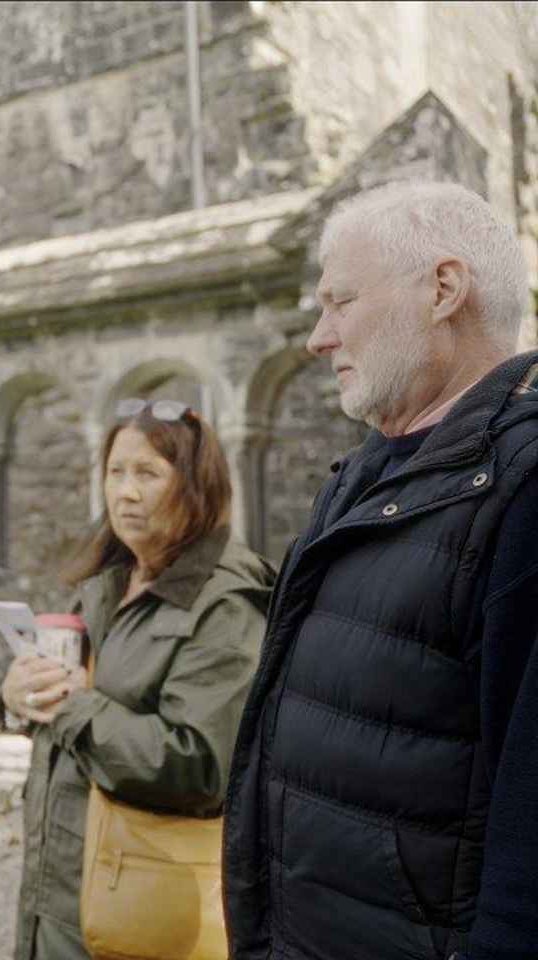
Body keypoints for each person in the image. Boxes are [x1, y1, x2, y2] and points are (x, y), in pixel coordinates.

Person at [223, 181, 538, 960]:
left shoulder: (524, 488)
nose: (317, 338)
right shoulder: (365, 476)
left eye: (341, 301)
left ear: (444, 289)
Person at [0, 399, 274, 959]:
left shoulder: (224, 602)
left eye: (147, 473)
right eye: (115, 472)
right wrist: (16, 698)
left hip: (144, 906)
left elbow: (201, 765)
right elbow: (73, 704)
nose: (125, 492)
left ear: (196, 484)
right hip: (60, 895)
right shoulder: (109, 579)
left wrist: (72, 707)